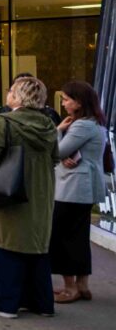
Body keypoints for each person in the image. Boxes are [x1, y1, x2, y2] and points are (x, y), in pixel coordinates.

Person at [0, 75, 59, 318]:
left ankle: (6, 303)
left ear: (19, 96)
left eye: (11, 90)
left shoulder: (4, 123)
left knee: (7, 245)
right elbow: (55, 158)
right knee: (36, 247)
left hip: (8, 192)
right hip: (41, 193)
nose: (8, 93)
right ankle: (41, 303)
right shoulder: (48, 125)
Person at [49, 80, 107, 304]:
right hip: (85, 186)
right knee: (78, 237)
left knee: (63, 237)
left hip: (73, 187)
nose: (63, 103)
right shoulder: (95, 123)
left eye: (66, 99)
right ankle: (82, 285)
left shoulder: (81, 126)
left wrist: (58, 131)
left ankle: (70, 287)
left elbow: (56, 151)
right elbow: (68, 153)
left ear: (79, 102)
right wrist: (64, 155)